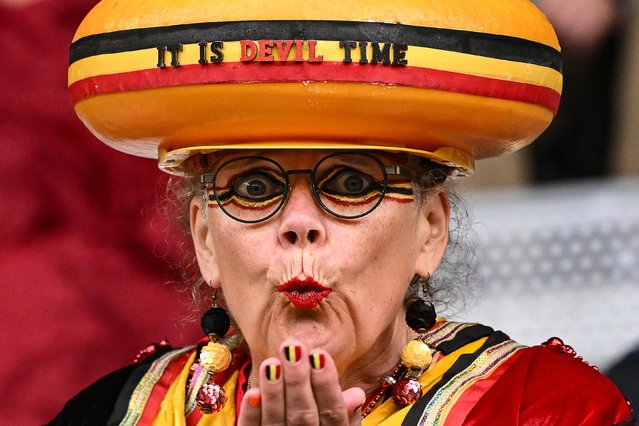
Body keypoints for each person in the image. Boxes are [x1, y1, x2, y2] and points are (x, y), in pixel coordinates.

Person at [51, 0, 634, 424]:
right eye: (254, 187)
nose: (299, 223)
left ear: (431, 230)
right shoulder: (113, 412)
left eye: (352, 182)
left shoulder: (545, 409)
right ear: (205, 240)